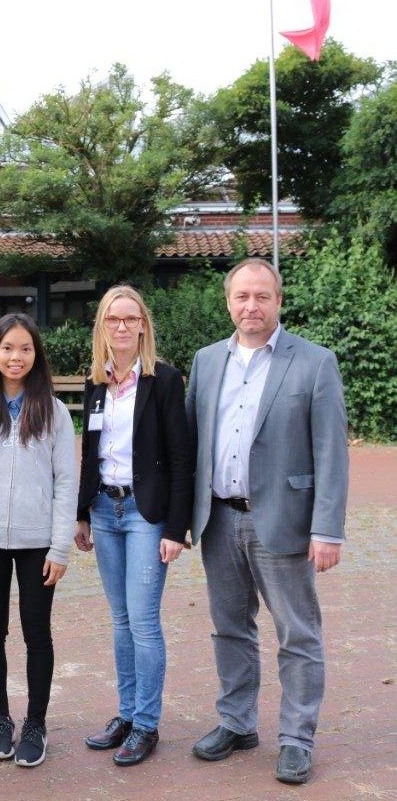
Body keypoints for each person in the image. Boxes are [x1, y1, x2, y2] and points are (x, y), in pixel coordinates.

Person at [187, 258, 349, 786]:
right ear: (228, 302)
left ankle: (297, 739)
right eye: (242, 296)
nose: (251, 306)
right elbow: (191, 443)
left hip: (283, 521)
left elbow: (331, 452)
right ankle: (237, 724)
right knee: (230, 628)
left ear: (278, 300)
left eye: (262, 296)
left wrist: (327, 530)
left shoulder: (315, 362)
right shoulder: (206, 361)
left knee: (297, 634)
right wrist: (181, 518)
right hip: (218, 520)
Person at [0, 313, 77, 767]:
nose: (16, 357)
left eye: (25, 348)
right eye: (7, 348)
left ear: (36, 355)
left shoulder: (54, 413)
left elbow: (66, 483)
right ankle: (0, 720)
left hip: (38, 544)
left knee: (36, 633)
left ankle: (36, 724)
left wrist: (60, 547)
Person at [74, 285, 192, 767]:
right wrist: (82, 513)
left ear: (143, 325)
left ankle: (146, 723)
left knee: (143, 621)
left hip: (146, 515)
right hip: (105, 510)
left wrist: (175, 529)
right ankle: (126, 714)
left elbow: (182, 459)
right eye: (112, 319)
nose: (121, 327)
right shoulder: (96, 383)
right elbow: (91, 454)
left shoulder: (163, 380)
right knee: (120, 620)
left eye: (130, 319)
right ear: (102, 326)